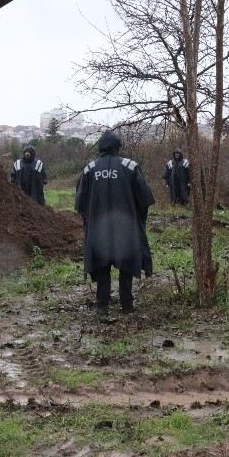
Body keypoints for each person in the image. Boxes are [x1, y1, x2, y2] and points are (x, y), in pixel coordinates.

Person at [75, 131, 155, 318]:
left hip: (98, 227)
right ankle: (127, 304)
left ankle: (102, 305)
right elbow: (144, 199)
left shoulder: (90, 169)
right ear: (118, 146)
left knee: (102, 265)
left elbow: (80, 204)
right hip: (125, 227)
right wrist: (137, 221)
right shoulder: (130, 166)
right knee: (126, 264)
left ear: (101, 146)